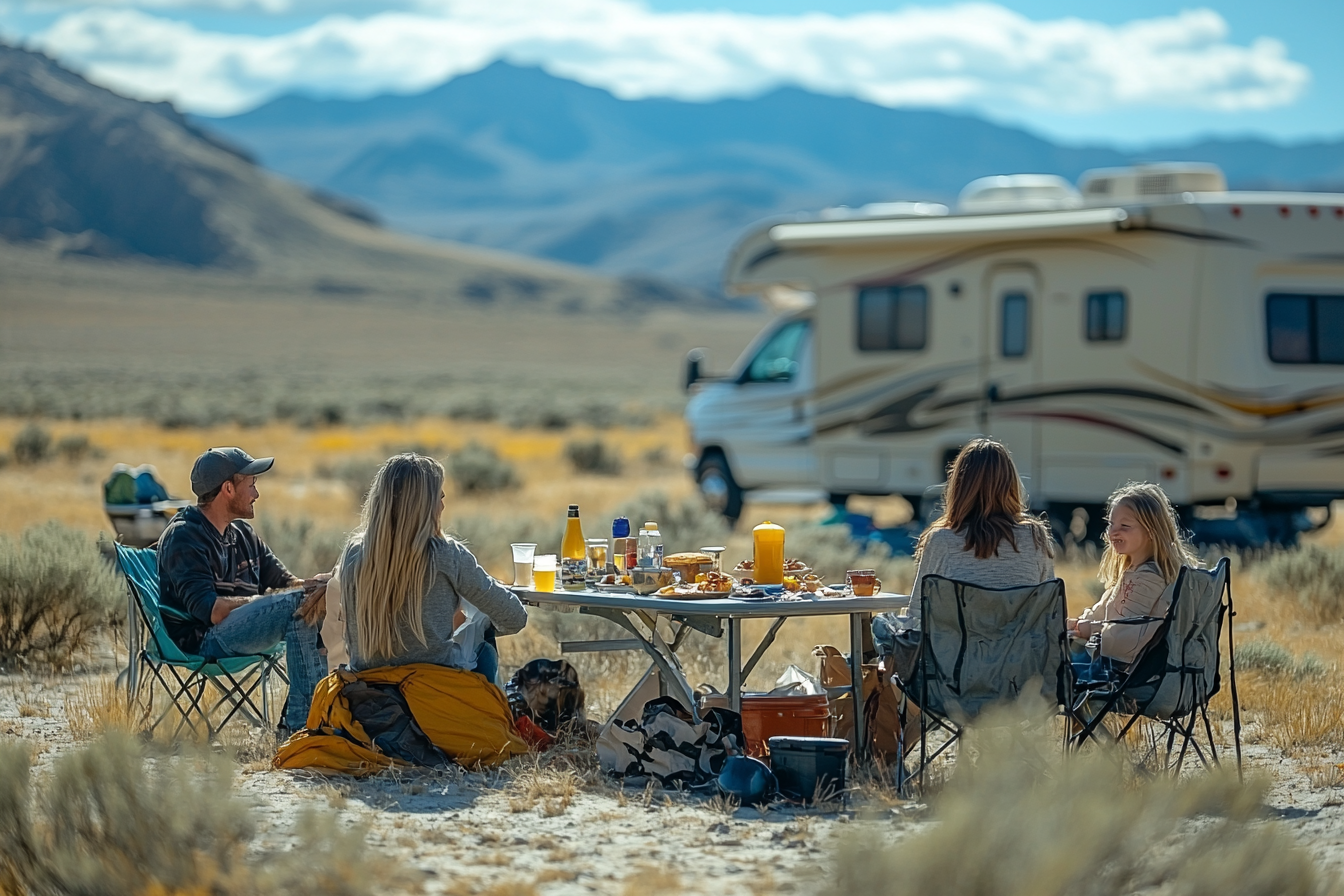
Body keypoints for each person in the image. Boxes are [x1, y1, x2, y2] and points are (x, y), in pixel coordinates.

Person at [158, 447, 329, 735]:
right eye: (251, 485)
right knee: (297, 605)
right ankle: (303, 726)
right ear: (227, 488)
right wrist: (268, 601)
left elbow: (286, 583)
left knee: (316, 601)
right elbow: (212, 611)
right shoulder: (185, 536)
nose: (256, 494)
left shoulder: (243, 535)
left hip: (240, 630)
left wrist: (318, 585)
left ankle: (310, 721)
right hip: (205, 641)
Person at [337, 453, 527, 682]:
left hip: (367, 688)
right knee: (483, 644)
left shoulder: (354, 552)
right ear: (422, 505)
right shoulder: (446, 554)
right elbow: (515, 618)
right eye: (439, 497)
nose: (443, 505)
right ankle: (492, 716)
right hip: (435, 688)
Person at [872, 439, 1055, 671]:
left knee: (880, 627)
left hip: (954, 678)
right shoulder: (1035, 536)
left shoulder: (942, 540)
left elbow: (917, 615)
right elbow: (1049, 611)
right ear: (1011, 484)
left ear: (958, 485)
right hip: (1020, 675)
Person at [1068, 482, 1198, 681]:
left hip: (1118, 670)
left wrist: (1090, 630)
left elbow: (1126, 637)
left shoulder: (1150, 579)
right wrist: (1080, 622)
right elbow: (1105, 609)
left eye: (1124, 526)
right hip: (1113, 661)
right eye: (1111, 524)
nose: (1113, 532)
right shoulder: (1134, 570)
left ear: (1151, 532)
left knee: (1052, 665)